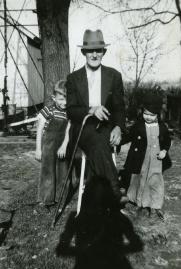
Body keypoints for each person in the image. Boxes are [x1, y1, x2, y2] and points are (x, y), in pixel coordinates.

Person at [66, 29, 128, 208]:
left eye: (98, 50)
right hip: (82, 129)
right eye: (90, 51)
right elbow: (71, 111)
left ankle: (97, 198)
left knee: (100, 140)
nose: (94, 54)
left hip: (106, 127)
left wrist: (118, 128)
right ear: (84, 52)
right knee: (97, 139)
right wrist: (91, 110)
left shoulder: (114, 76)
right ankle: (115, 192)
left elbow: (119, 108)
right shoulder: (73, 78)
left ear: (103, 52)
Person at [120, 91, 172, 220]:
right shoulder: (138, 126)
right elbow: (127, 137)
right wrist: (116, 141)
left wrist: (164, 151)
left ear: (157, 114)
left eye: (151, 115)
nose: (148, 117)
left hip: (156, 162)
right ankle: (138, 204)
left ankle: (154, 206)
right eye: (145, 114)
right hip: (141, 161)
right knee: (139, 180)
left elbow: (167, 141)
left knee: (155, 182)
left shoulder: (162, 127)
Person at [35, 80, 71, 210]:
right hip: (48, 145)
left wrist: (65, 145)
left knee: (63, 172)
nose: (64, 103)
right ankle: (46, 198)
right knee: (48, 171)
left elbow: (68, 130)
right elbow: (39, 131)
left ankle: (60, 198)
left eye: (67, 99)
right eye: (61, 99)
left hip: (62, 146)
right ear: (54, 98)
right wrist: (38, 149)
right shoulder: (48, 110)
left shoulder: (69, 112)